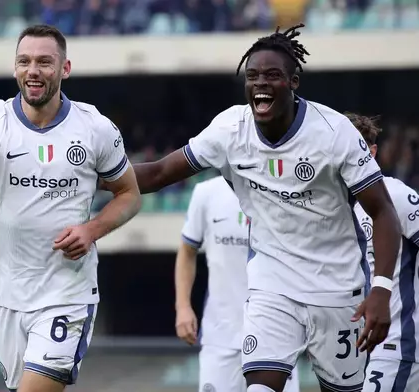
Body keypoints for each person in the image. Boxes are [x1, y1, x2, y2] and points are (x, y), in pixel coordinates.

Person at [128, 24, 401, 392]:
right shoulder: (229, 130)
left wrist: (381, 291)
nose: (261, 83)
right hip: (272, 284)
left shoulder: (334, 133)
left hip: (337, 290)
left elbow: (383, 210)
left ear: (294, 81)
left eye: (273, 75)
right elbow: (160, 171)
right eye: (253, 75)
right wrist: (99, 174)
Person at [0, 24, 141, 392]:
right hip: (9, 294)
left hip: (67, 293)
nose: (33, 71)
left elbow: (129, 194)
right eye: (24, 61)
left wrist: (91, 230)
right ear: (14, 68)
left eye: (45, 62)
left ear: (65, 68)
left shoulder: (95, 128)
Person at [176, 175, 300, 392]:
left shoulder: (285, 190)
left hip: (276, 338)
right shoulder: (206, 193)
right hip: (220, 337)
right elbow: (187, 251)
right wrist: (183, 307)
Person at [349, 113, 419, 391]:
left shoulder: (396, 196)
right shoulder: (332, 204)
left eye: (357, 148)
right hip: (356, 348)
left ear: (373, 151)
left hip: (397, 344)